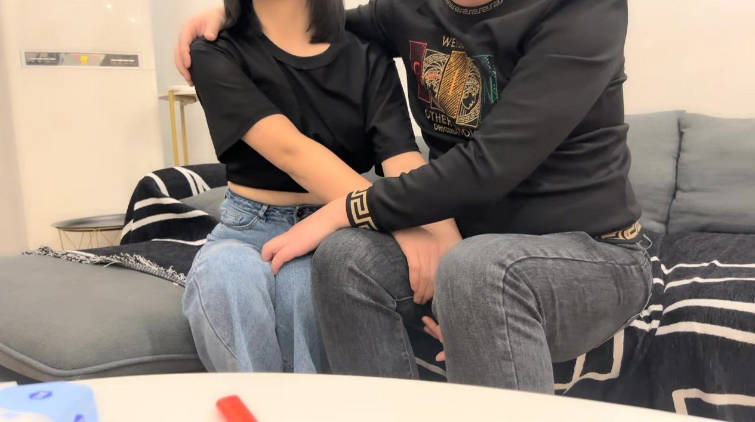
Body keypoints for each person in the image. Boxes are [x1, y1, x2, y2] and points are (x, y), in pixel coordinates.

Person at [176, 0, 652, 393]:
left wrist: (351, 208)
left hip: (589, 251)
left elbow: (489, 167)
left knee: (476, 270)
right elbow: (311, 23)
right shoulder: (408, 9)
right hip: (470, 246)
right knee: (344, 256)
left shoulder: (583, 10)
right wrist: (232, 15)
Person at [180, 0, 461, 374]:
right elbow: (291, 151)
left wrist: (453, 268)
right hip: (248, 228)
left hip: (339, 230)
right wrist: (394, 218)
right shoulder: (214, 50)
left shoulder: (365, 51)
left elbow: (402, 158)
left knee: (303, 286)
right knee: (226, 273)